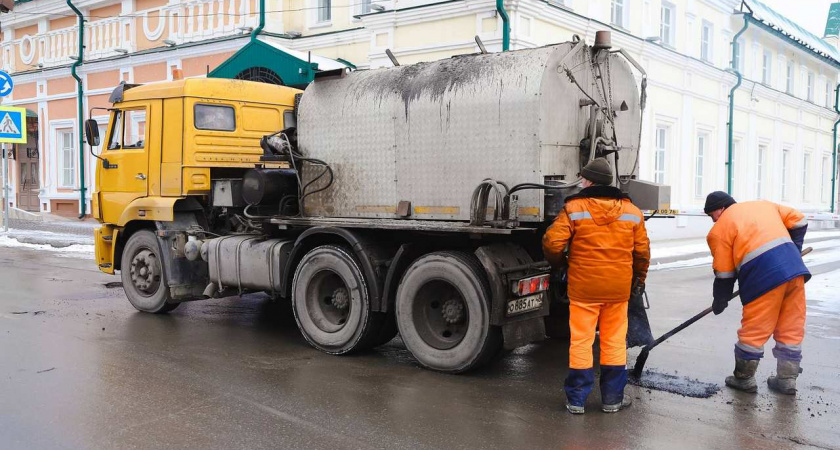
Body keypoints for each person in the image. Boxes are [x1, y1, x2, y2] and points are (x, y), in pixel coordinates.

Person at [542, 158, 650, 414]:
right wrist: (639, 279)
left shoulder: (575, 208)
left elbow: (552, 243)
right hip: (617, 290)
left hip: (584, 290)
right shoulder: (632, 212)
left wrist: (560, 265)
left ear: (589, 181)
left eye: (583, 178)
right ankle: (612, 399)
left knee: (581, 341)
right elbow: (643, 252)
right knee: (613, 342)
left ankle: (576, 400)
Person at [704, 191, 810, 394]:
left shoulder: (719, 229)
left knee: (755, 329)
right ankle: (786, 380)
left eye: (711, 215)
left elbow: (724, 273)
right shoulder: (763, 205)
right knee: (791, 325)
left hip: (763, 278)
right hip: (794, 271)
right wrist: (795, 251)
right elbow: (799, 220)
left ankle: (744, 378)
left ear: (720, 209)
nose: (713, 220)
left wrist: (720, 298)